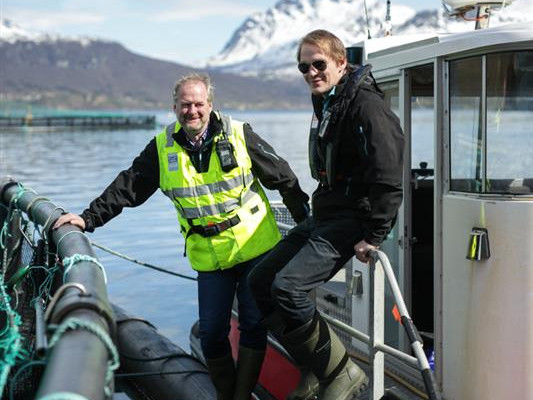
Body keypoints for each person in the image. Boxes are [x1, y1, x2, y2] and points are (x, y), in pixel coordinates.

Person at [53, 73, 310, 400]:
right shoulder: (161, 148)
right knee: (212, 334)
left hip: (256, 249)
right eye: (185, 104)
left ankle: (240, 396)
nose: (193, 111)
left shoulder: (239, 134)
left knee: (253, 326)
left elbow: (284, 177)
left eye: (199, 104)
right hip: (210, 257)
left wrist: (306, 228)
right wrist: (88, 219)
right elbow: (128, 187)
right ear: (174, 107)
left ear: (210, 105)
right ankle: (226, 393)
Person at [248, 29, 404, 400]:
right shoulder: (328, 102)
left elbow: (388, 172)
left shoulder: (365, 104)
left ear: (340, 63)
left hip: (351, 218)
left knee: (289, 288)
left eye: (319, 64)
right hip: (324, 214)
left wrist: (376, 234)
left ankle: (341, 372)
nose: (312, 72)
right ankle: (315, 368)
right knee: (259, 283)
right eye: (304, 67)